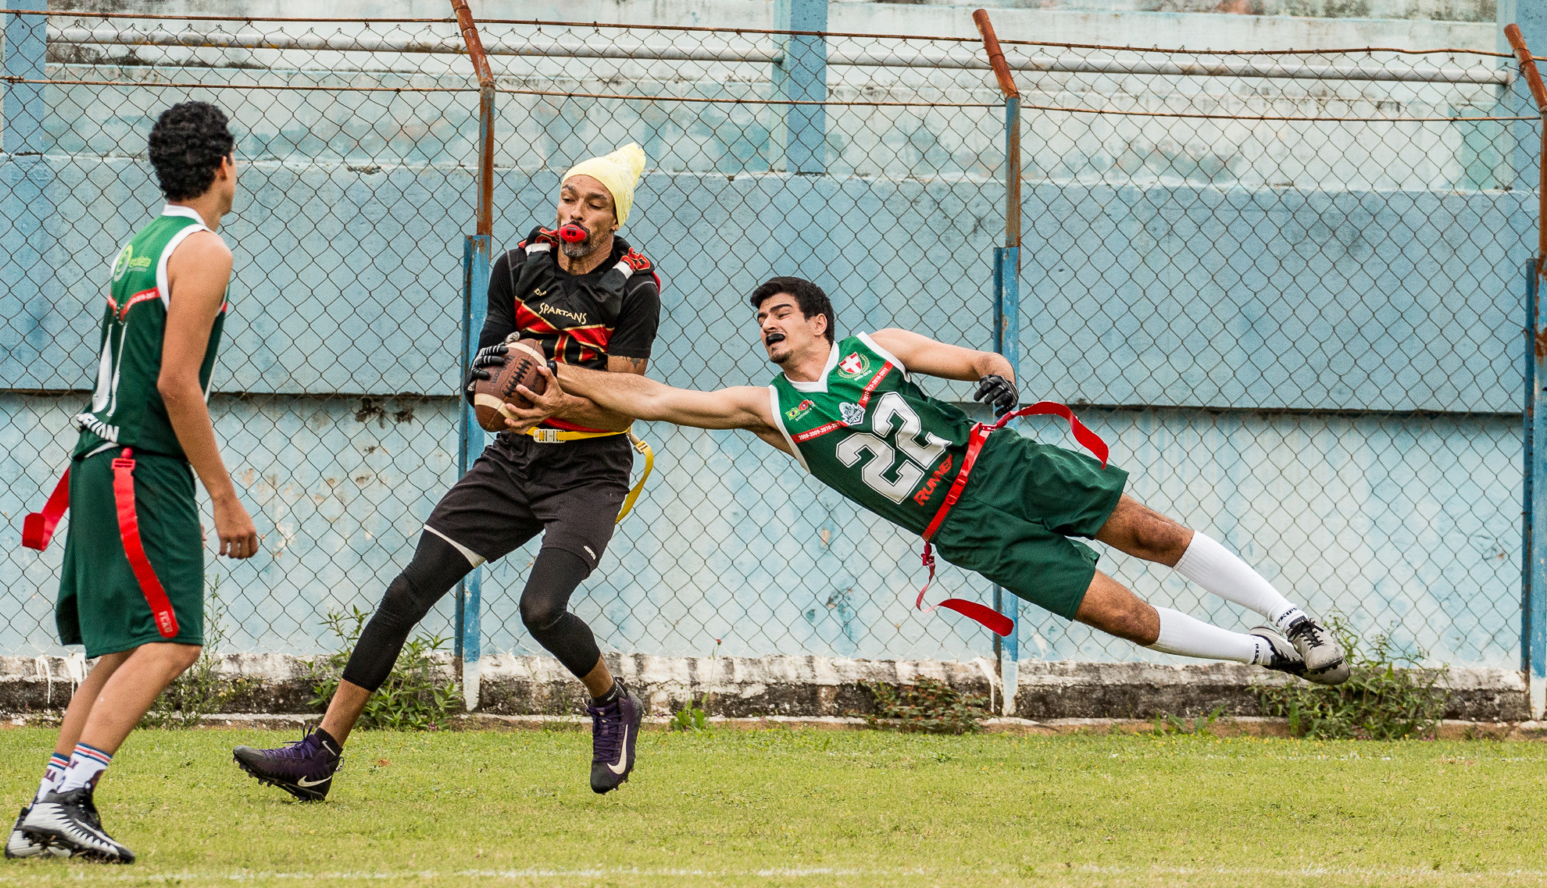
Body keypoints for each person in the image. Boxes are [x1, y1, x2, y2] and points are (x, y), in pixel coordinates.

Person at [543, 275, 1350, 683]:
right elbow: (651, 397)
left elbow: (974, 359)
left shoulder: (877, 346)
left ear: (817, 320)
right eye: (760, 319)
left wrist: (996, 376)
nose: (767, 324)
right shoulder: (768, 407)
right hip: (963, 527)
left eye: (780, 311)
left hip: (1000, 463)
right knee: (1126, 617)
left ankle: (1295, 617)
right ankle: (1267, 655)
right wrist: (553, 372)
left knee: (1153, 532)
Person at [233, 143, 660, 800]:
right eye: (570, 196)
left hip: (589, 466)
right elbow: (484, 369)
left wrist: (550, 386)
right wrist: (493, 401)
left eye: (594, 203)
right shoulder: (521, 265)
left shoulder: (634, 286)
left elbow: (627, 398)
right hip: (515, 460)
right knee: (407, 593)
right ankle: (319, 753)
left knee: (542, 609)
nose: (576, 211)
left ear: (614, 218)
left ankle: (611, 704)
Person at [8, 102, 260, 862]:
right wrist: (223, 494)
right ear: (221, 165)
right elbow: (177, 384)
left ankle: (43, 814)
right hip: (138, 465)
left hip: (98, 457)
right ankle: (65, 801)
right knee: (172, 638)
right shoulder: (204, 250)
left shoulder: (142, 241)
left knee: (117, 651)